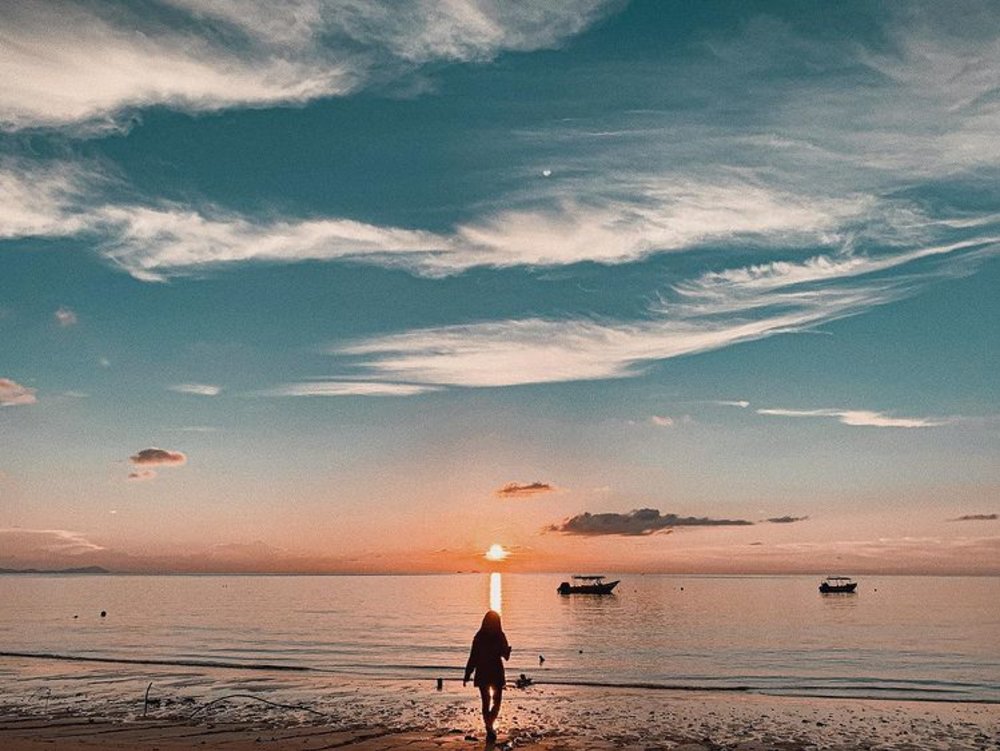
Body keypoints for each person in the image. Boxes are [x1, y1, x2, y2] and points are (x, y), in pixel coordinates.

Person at [463, 610, 511, 741]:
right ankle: (490, 725)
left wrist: (468, 673)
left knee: (486, 701)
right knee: (496, 701)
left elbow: (473, 656)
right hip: (495, 671)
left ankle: (489, 726)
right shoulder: (499, 635)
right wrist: (507, 651)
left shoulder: (479, 636)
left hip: (483, 671)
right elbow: (505, 656)